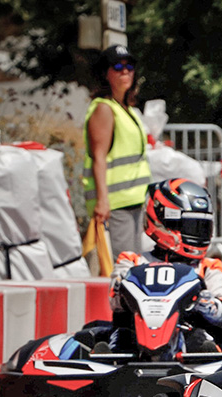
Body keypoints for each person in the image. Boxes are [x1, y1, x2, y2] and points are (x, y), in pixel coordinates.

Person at [107, 178, 222, 352]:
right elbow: (114, 302)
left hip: (190, 344)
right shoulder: (132, 262)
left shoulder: (208, 267)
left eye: (203, 227)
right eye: (192, 226)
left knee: (201, 340)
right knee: (119, 337)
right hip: (135, 342)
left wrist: (210, 305)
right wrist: (123, 291)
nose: (199, 234)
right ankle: (110, 365)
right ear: (164, 221)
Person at [83, 44, 152, 261]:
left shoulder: (126, 109)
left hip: (134, 200)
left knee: (132, 266)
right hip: (115, 205)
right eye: (118, 66)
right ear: (105, 73)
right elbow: (99, 157)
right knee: (123, 268)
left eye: (129, 66)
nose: (125, 71)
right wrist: (103, 201)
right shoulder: (104, 108)